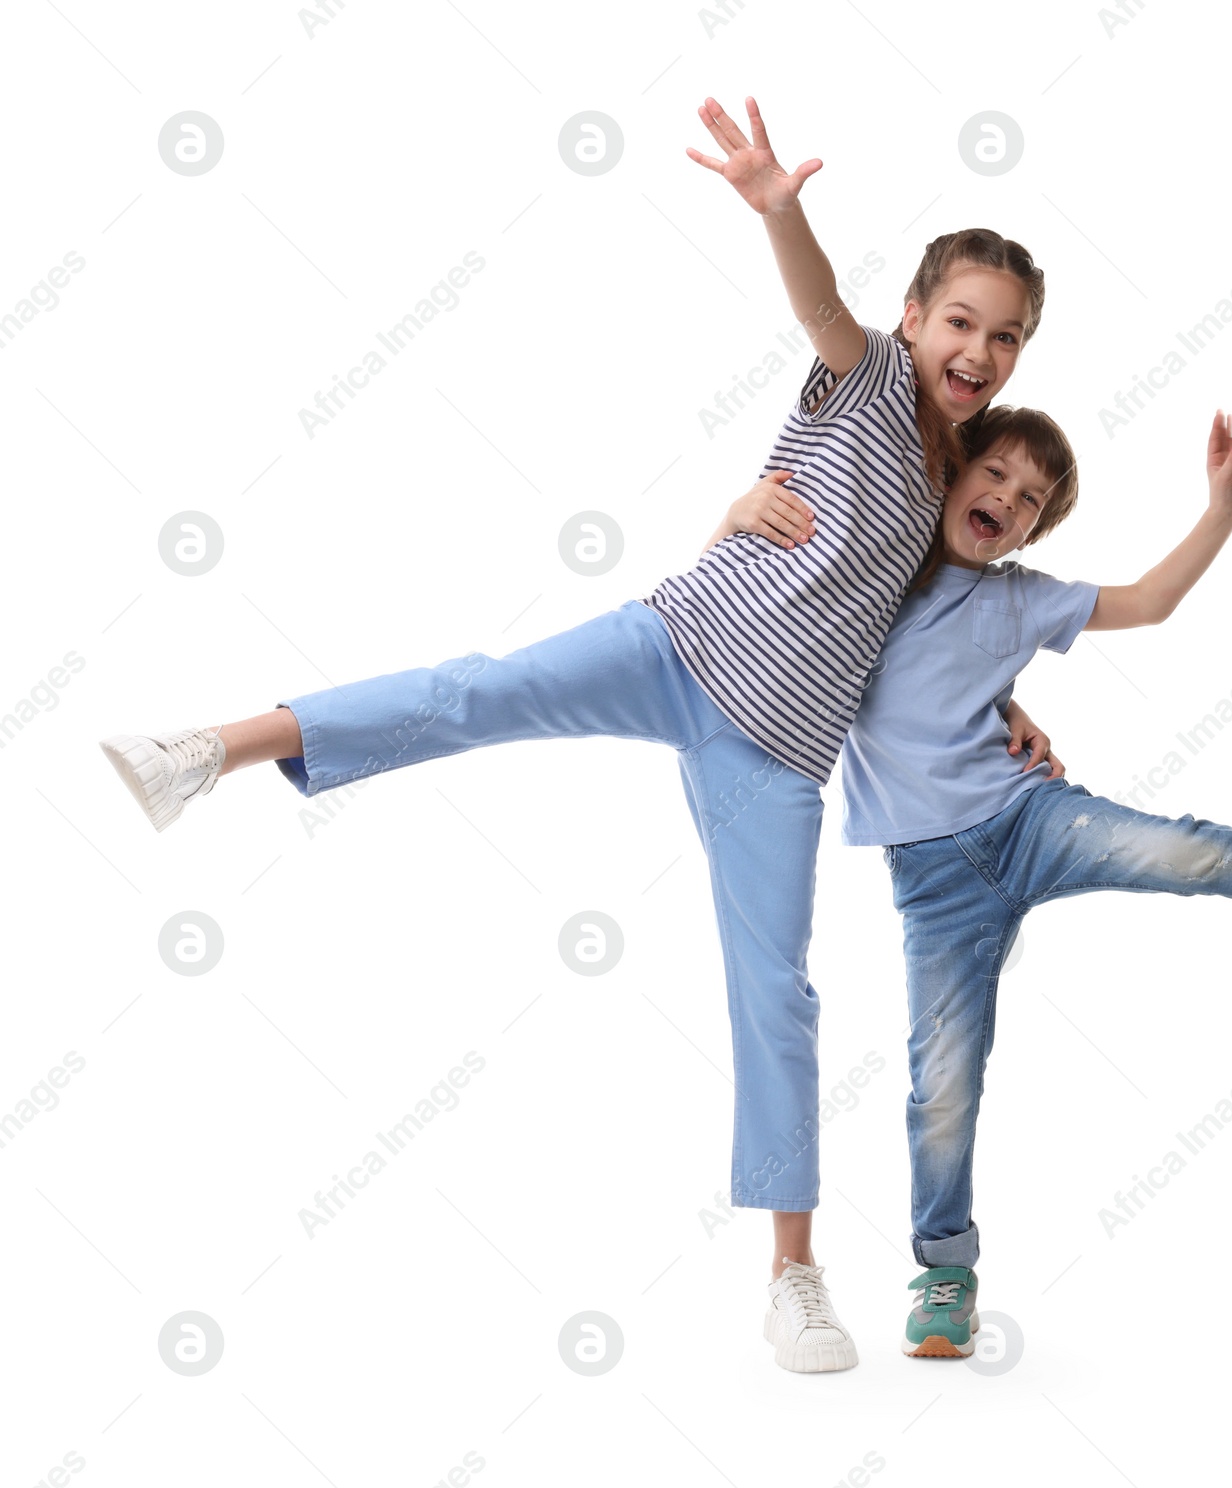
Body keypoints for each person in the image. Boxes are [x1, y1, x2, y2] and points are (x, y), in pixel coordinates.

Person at [97, 96, 1050, 1374]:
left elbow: (927, 631)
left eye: (1007, 337)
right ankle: (206, 750)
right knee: (470, 693)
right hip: (676, 644)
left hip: (776, 753)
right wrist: (783, 212)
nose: (979, 349)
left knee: (776, 996)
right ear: (915, 318)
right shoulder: (865, 375)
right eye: (961, 322)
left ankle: (794, 1274)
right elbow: (820, 305)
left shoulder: (958, 487)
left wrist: (1005, 700)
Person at [721, 404, 1232, 1359]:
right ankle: (945, 1277)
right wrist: (744, 512)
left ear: (1037, 528)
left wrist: (1222, 511)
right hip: (933, 880)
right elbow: (791, 625)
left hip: (1032, 819)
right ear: (948, 475)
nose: (1008, 498)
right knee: (942, 1083)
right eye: (994, 474)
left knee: (1190, 851)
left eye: (1031, 499)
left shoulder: (1022, 599)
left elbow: (1149, 601)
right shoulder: (879, 575)